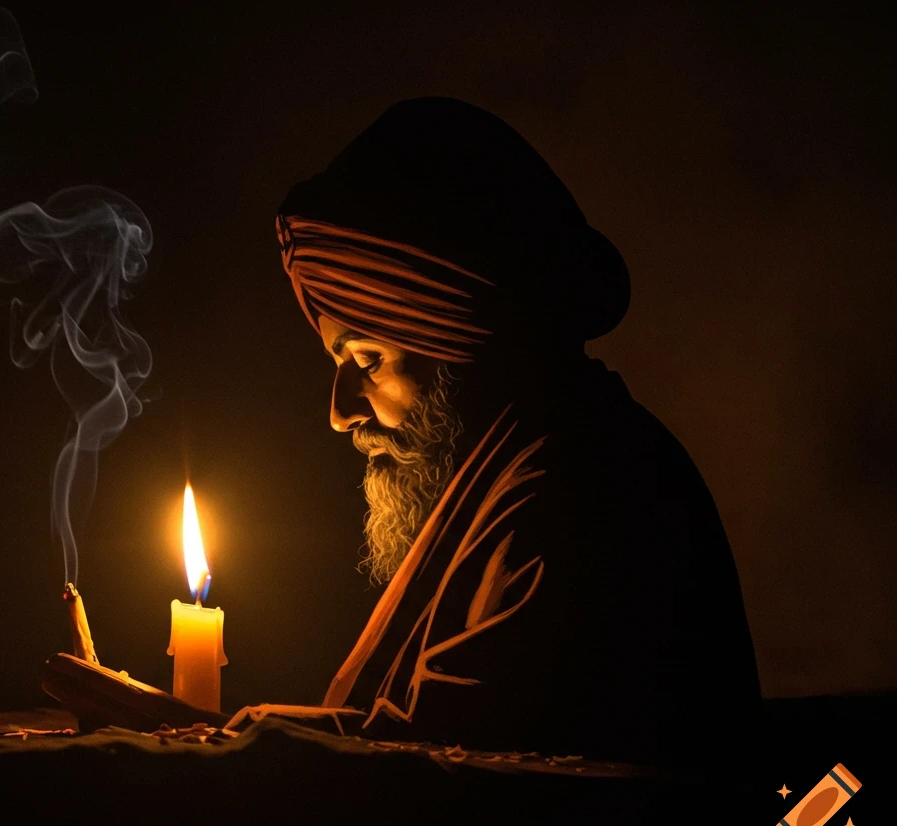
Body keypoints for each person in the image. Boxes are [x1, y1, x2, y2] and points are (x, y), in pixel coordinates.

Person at [277, 97, 761, 764]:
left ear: (464, 342)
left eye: (368, 360)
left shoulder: (577, 497)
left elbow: (463, 779)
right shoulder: (536, 468)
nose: (340, 412)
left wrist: (227, 754)